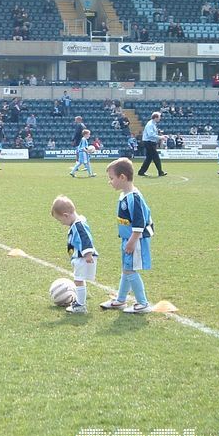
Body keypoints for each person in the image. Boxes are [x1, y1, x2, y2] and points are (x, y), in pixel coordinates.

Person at [100, 157, 154, 314]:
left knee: (130, 270)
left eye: (111, 178)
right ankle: (120, 300)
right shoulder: (124, 194)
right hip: (128, 239)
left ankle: (142, 303)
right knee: (126, 269)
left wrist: (131, 242)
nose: (110, 182)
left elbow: (139, 223)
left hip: (135, 240)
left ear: (122, 177)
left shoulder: (134, 197)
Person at [50, 195, 98, 315]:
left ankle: (80, 305)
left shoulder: (78, 225)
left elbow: (85, 238)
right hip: (81, 257)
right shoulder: (77, 222)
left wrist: (87, 254)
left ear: (66, 215)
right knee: (80, 279)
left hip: (83, 257)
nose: (61, 223)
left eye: (60, 220)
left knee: (78, 280)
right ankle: (81, 298)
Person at [138, 112, 167, 177]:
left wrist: (161, 136)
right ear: (155, 118)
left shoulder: (153, 124)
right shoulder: (150, 124)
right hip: (149, 142)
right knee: (156, 157)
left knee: (149, 158)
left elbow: (153, 134)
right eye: (159, 117)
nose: (160, 119)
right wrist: (160, 137)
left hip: (151, 143)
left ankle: (141, 172)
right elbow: (150, 134)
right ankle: (160, 172)